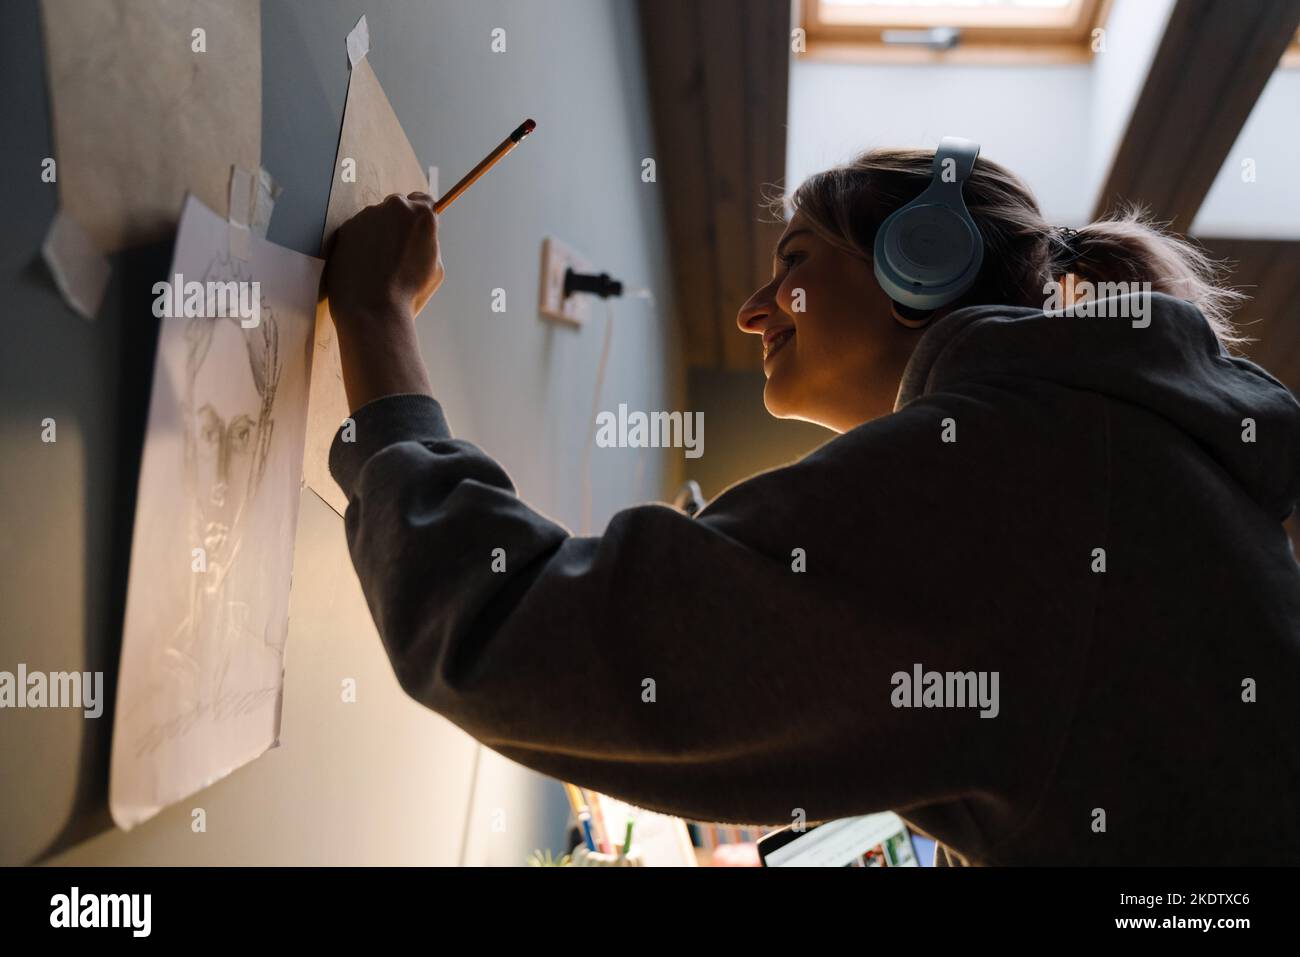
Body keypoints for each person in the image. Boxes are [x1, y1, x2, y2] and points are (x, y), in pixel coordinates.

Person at [320, 146, 1300, 866]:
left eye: (793, 262)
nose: (754, 308)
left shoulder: (993, 474)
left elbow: (513, 636)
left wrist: (374, 321)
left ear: (921, 260)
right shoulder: (1114, 443)